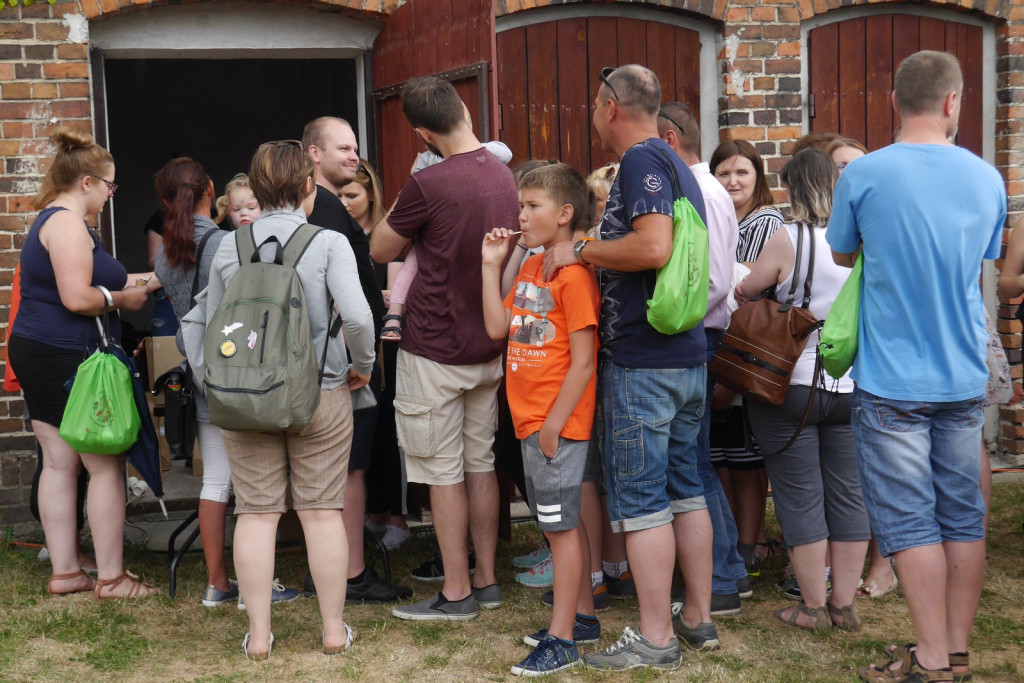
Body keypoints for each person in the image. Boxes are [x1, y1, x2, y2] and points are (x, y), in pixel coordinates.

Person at [827, 50, 1006, 683]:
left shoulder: (866, 173)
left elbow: (844, 255)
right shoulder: (988, 178)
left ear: (894, 101)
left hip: (893, 376)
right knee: (962, 514)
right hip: (962, 370)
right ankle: (953, 651)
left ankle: (931, 659)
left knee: (909, 521)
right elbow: (982, 259)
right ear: (955, 102)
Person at [543, 64, 715, 671]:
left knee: (643, 501)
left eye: (594, 105)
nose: (592, 115)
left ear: (609, 105)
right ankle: (697, 616)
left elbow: (653, 247)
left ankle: (654, 637)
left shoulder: (642, 161)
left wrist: (581, 249)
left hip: (643, 361)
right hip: (685, 355)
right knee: (686, 491)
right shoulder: (676, 162)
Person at [204, 139, 375, 659]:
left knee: (256, 514)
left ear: (255, 190)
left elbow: (214, 328)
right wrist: (361, 369)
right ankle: (331, 630)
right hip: (319, 393)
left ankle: (258, 637)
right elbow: (360, 318)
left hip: (245, 401)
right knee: (322, 513)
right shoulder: (327, 242)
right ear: (307, 186)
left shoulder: (228, 246)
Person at [371, 75, 519, 622]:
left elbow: (380, 245)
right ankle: (486, 578)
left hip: (434, 343)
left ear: (421, 132)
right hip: (487, 342)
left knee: (440, 470)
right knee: (480, 463)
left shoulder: (430, 183)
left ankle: (455, 592)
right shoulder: (503, 173)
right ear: (463, 108)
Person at [8, 127, 160, 599]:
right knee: (105, 464)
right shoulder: (69, 224)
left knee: (59, 464)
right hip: (70, 355)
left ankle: (68, 571)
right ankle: (112, 579)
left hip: (38, 348)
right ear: (88, 182)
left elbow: (79, 284)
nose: (112, 196)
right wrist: (123, 299)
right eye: (110, 186)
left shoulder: (51, 222)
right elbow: (78, 297)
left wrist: (150, 280)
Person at [736, 148, 870, 633]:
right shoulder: (859, 243)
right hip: (850, 383)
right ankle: (844, 604)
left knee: (799, 496)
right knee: (849, 495)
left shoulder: (787, 237)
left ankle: (812, 607)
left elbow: (747, 290)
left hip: (792, 382)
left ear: (793, 186)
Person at [482, 163, 601, 676]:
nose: (521, 215)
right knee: (563, 523)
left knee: (559, 531)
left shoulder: (573, 276)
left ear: (565, 213)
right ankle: (583, 618)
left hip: (554, 425)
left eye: (532, 206)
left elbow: (585, 361)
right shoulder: (532, 266)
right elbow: (496, 327)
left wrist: (553, 425)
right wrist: (492, 266)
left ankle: (561, 639)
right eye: (521, 206)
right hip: (532, 421)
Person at [302, 117, 410, 605]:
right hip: (343, 365)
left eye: (355, 146)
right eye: (342, 148)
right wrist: (359, 360)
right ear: (313, 154)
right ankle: (350, 574)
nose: (354, 155)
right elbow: (339, 299)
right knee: (348, 469)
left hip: (332, 361)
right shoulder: (324, 212)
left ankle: (332, 567)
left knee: (338, 467)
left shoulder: (320, 208)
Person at [658, 101, 749, 615]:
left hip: (700, 336)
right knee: (693, 462)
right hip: (700, 335)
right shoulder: (700, 188)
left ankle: (720, 576)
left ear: (669, 140)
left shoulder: (703, 192)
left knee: (691, 464)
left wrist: (669, 316)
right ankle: (726, 571)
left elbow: (714, 282)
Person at [153, 157, 240, 607]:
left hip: (199, 374)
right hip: (238, 372)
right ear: (211, 187)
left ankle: (217, 582)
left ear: (167, 202)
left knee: (216, 481)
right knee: (251, 484)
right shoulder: (228, 245)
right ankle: (255, 579)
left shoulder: (163, 256)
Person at [709, 138, 780, 577]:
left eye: (742, 173)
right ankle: (728, 541)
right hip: (715, 356)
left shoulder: (764, 224)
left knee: (746, 462)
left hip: (744, 360)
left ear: (758, 177)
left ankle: (748, 547)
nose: (733, 182)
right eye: (724, 174)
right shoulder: (719, 219)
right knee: (720, 458)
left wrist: (729, 378)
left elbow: (750, 303)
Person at [340, 159, 411, 550]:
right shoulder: (341, 236)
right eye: (341, 195)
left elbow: (394, 294)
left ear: (371, 195)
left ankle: (397, 518)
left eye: (352, 195)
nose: (346, 202)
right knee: (365, 437)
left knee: (389, 433)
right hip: (354, 346)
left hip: (387, 347)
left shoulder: (384, 239)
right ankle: (374, 516)